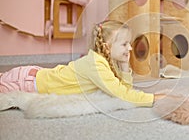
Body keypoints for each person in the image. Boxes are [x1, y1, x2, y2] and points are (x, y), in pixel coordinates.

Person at [0, 20, 165, 107]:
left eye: (129, 43)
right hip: (27, 82)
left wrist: (124, 66)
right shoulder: (96, 65)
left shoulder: (103, 61)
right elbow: (122, 94)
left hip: (34, 75)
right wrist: (153, 98)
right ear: (107, 47)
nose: (130, 48)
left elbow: (123, 89)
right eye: (124, 44)